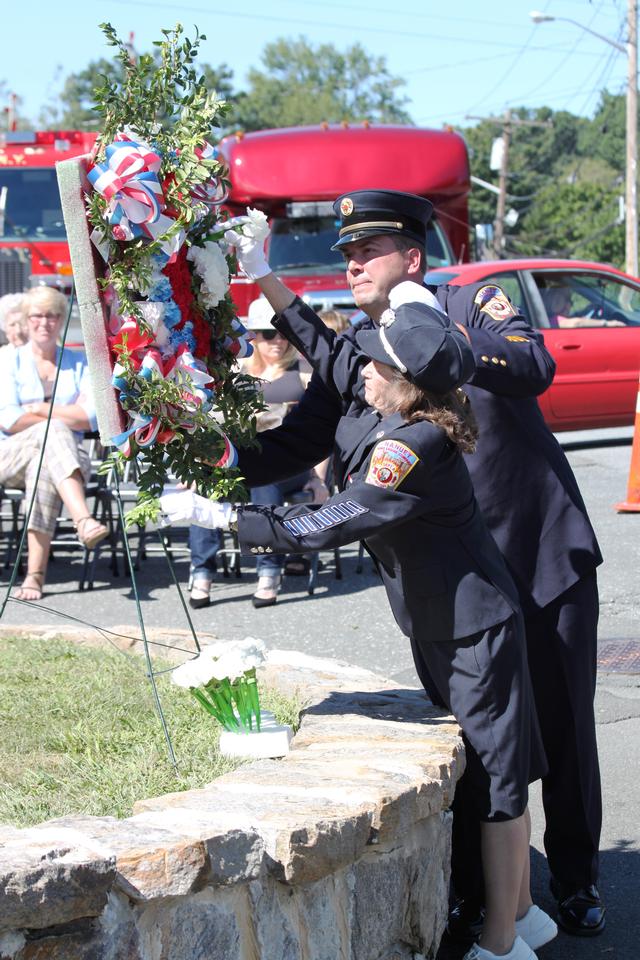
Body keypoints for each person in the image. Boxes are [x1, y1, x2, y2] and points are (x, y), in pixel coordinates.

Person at [222, 190, 605, 939]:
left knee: (559, 724)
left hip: (533, 553)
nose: (354, 262)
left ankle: (578, 879)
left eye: (369, 250)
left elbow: (532, 365)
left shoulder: (459, 306)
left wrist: (434, 336)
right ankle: (490, 896)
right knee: (483, 745)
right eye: (346, 253)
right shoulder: (367, 351)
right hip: (456, 579)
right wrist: (214, 461)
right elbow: (296, 439)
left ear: (413, 258)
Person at [161, 296, 556, 960]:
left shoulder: (409, 445)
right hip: (446, 621)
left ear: (406, 381)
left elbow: (334, 520)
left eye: (375, 363)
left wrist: (226, 520)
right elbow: (335, 384)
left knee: (497, 777)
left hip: (472, 629)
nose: (361, 371)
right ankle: (517, 912)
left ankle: (502, 940)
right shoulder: (402, 418)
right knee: (492, 771)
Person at [186, 296, 327, 609]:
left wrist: (319, 479)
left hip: (291, 465)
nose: (277, 341)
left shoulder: (303, 372)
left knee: (266, 478)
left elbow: (322, 433)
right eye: (267, 333)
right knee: (208, 484)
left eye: (282, 333)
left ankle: (268, 569)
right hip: (239, 461)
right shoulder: (235, 372)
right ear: (254, 336)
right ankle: (202, 571)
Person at [0, 286, 108, 601]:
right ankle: (83, 519)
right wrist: (61, 417)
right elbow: (9, 419)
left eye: (51, 316)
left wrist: (42, 409)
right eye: (37, 316)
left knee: (45, 465)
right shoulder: (8, 361)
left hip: (65, 461)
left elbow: (91, 417)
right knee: (56, 431)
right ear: (25, 320)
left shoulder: (78, 362)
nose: (44, 322)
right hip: (10, 454)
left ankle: (34, 577)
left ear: (61, 320)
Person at [540, 286, 624, 329]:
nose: (570, 304)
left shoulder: (547, 318)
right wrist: (607, 323)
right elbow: (575, 323)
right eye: (566, 299)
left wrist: (585, 313)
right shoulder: (554, 320)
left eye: (570, 300)